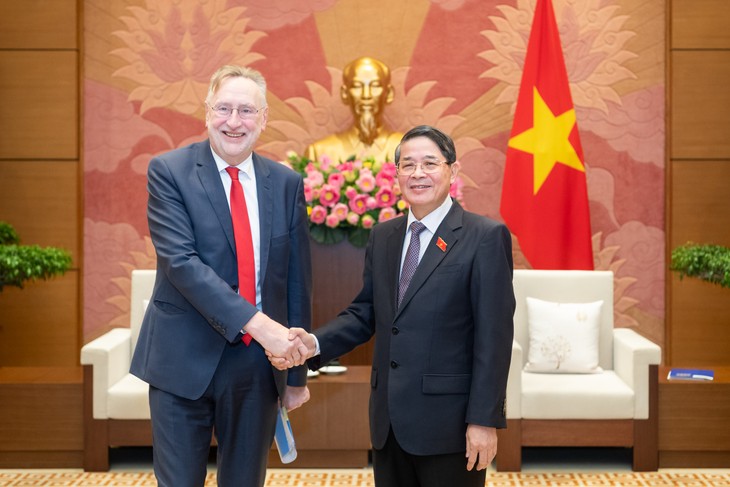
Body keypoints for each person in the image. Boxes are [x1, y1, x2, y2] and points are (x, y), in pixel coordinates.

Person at [274, 125, 515, 487]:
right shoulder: (384, 236)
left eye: (430, 163)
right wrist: (314, 343)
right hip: (388, 422)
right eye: (408, 165)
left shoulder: (484, 237)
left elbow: (494, 339)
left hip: (450, 426)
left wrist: (484, 420)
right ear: (397, 174)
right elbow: (366, 312)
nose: (418, 173)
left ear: (453, 170)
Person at [130, 64, 312, 487]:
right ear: (207, 112)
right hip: (181, 359)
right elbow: (181, 264)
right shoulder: (169, 171)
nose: (234, 122)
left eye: (246, 111)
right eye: (224, 108)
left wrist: (296, 375)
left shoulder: (285, 183)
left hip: (256, 365)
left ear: (264, 119)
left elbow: (297, 279)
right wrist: (262, 326)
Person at [305, 56, 403, 163]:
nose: (366, 95)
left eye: (375, 86)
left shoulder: (411, 151)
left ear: (389, 93)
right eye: (357, 86)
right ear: (345, 94)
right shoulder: (319, 152)